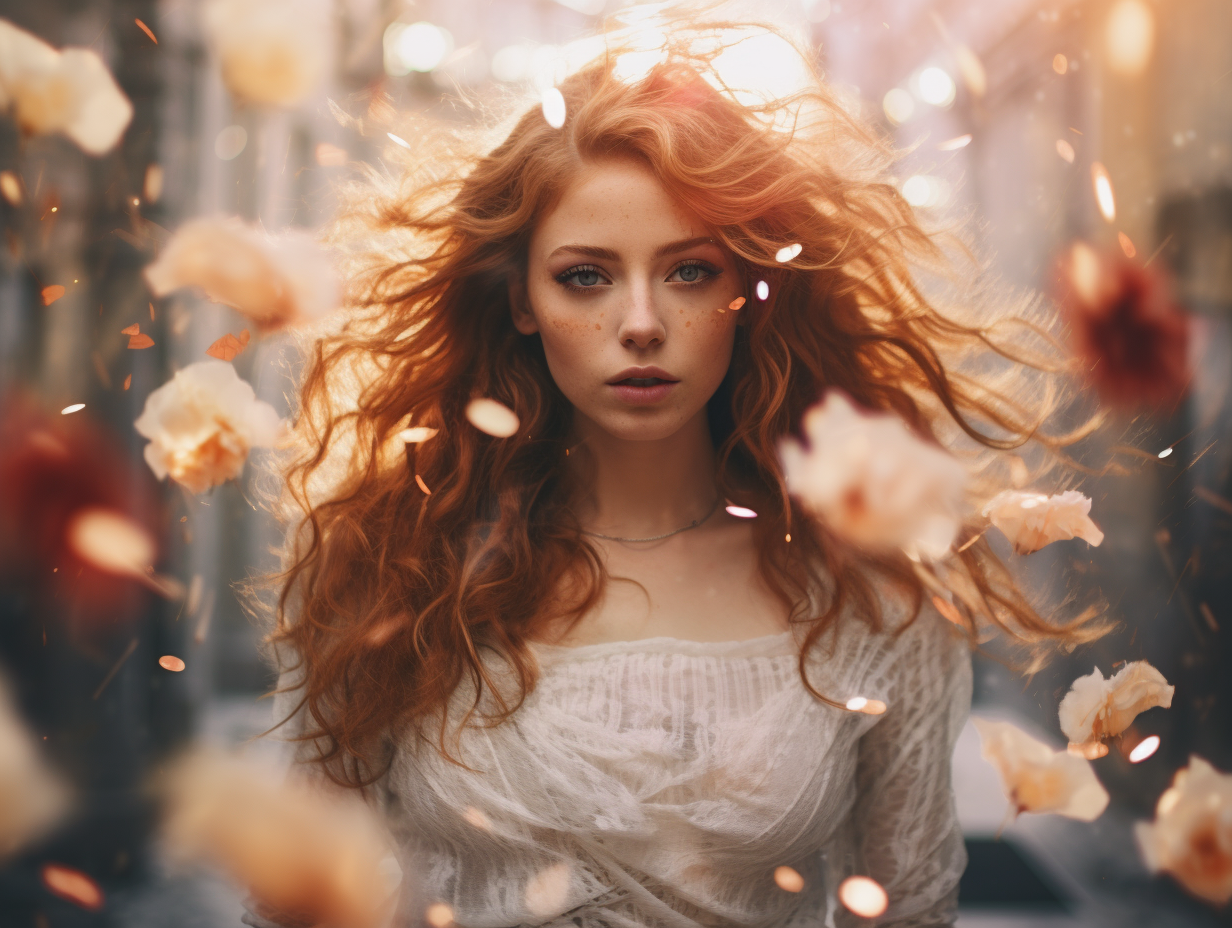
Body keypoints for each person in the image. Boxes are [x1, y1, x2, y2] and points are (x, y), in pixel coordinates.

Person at [250, 14, 1098, 928]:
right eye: (586, 277)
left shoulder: (871, 598)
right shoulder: (390, 561)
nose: (643, 321)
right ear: (523, 299)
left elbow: (909, 913)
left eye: (689, 272)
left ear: (746, 293)